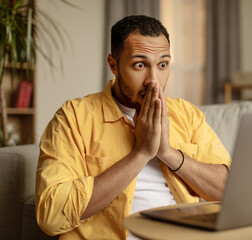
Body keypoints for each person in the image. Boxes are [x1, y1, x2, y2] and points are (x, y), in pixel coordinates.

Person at [35, 15, 231, 240]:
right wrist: (141, 153)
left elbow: (230, 192)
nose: (154, 80)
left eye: (163, 65)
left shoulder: (187, 115)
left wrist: (168, 153)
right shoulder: (74, 117)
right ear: (113, 65)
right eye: (140, 65)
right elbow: (50, 217)